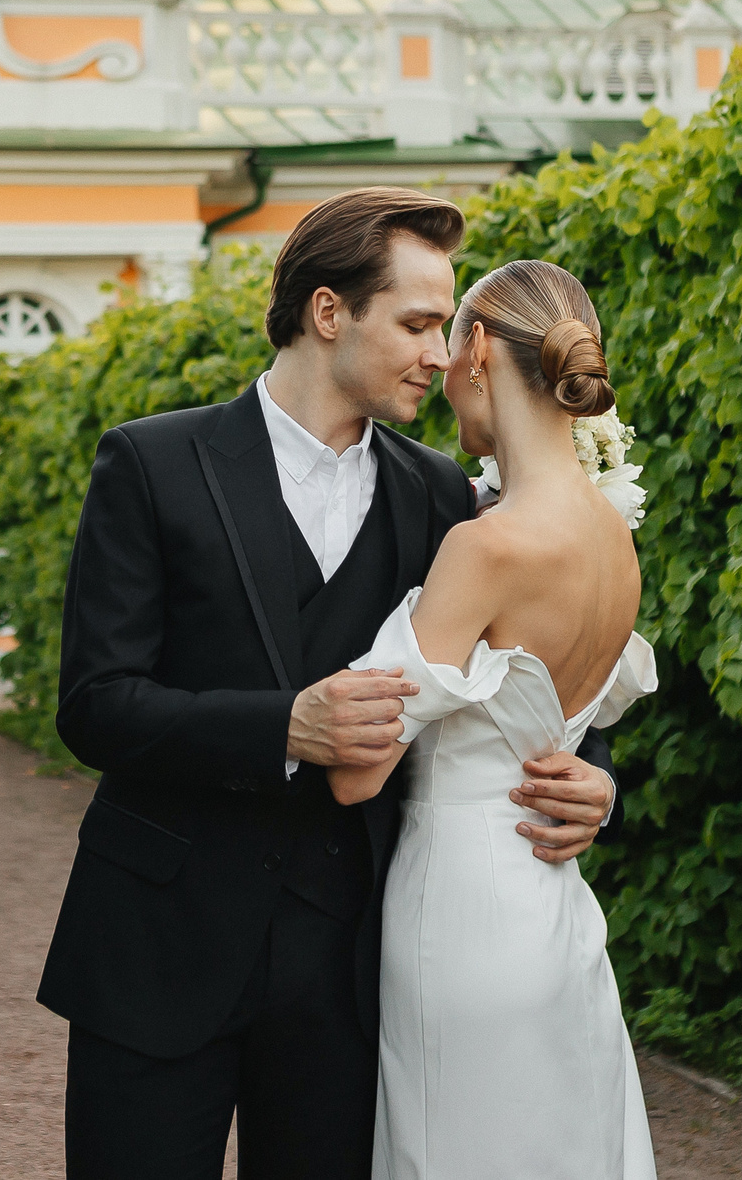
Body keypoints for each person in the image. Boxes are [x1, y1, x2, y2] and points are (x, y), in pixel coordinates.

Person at [38, 189, 620, 1180]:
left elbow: (527, 651)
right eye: (419, 325)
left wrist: (595, 776)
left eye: (445, 328)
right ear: (326, 313)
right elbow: (95, 704)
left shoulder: (443, 497)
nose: (444, 357)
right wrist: (285, 727)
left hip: (351, 967)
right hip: (157, 947)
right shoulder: (151, 463)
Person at [331, 259, 659, 1179]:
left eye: (449, 340)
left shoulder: (485, 546)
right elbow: (565, 726)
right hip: (556, 907)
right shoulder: (614, 539)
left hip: (463, 910)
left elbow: (358, 768)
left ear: (478, 349)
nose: (438, 367)